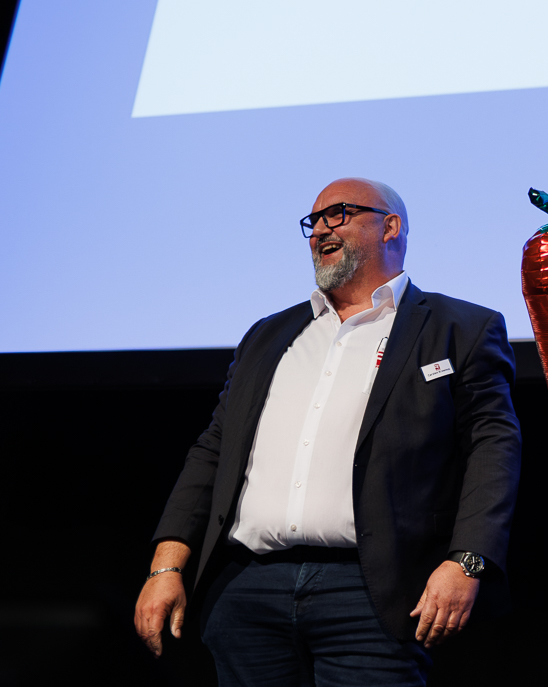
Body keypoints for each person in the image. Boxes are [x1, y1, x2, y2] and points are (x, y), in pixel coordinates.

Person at [134, 178, 522, 686]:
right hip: (248, 589)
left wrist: (467, 562)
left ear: (390, 227)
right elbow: (213, 451)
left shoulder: (460, 328)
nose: (319, 229)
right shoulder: (268, 334)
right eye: (313, 221)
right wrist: (166, 567)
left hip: (372, 591)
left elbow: (493, 451)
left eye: (338, 214)